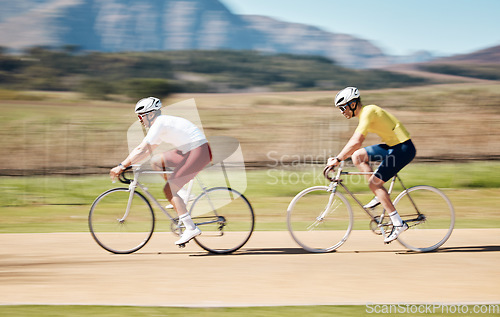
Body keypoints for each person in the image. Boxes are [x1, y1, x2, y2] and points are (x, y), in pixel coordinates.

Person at [109, 97, 212, 246]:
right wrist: (130, 164)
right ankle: (182, 194)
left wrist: (122, 165)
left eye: (141, 116)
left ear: (150, 114)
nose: (139, 120)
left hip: (198, 152)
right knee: (156, 162)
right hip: (191, 150)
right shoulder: (160, 124)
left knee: (169, 190)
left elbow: (141, 148)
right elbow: (147, 152)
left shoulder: (160, 123)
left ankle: (190, 228)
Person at [326, 87, 416, 243]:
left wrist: (338, 159)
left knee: (374, 184)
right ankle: (379, 194)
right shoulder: (365, 114)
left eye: (343, 107)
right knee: (358, 156)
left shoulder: (368, 112)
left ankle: (397, 223)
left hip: (403, 148)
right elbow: (355, 147)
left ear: (353, 104)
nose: (341, 112)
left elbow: (356, 141)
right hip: (394, 146)